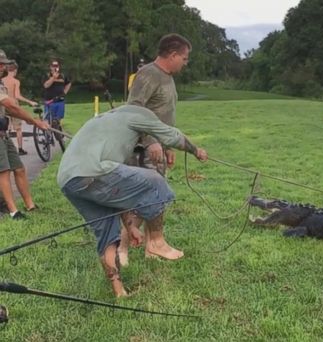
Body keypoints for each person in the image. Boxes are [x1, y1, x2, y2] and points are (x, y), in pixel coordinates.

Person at [57, 104, 208, 297]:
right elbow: (172, 136)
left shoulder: (102, 121)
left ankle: (119, 292)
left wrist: (130, 227)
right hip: (94, 171)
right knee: (155, 182)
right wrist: (196, 150)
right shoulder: (138, 115)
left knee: (107, 237)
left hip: (69, 181)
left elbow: (117, 195)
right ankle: (156, 242)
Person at [117, 33, 191, 266]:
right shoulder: (149, 74)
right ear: (173, 54)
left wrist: (168, 145)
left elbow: (163, 115)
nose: (185, 63)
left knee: (155, 200)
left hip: (159, 149)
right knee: (140, 201)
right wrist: (150, 141)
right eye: (185, 58)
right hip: (142, 149)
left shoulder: (167, 77)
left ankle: (153, 247)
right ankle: (122, 249)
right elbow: (134, 109)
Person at [0, 49, 50, 219]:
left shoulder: (1, 83)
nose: (2, 67)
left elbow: (8, 110)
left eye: (3, 64)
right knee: (3, 171)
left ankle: (30, 205)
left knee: (19, 168)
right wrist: (34, 122)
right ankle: (13, 211)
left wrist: (30, 119)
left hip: (3, 133)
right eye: (0, 64)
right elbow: (11, 106)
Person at [2, 62, 37, 155]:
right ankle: (20, 149)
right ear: (15, 70)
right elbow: (17, 96)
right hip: (14, 105)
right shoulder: (15, 81)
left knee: (5, 128)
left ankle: (6, 148)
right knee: (18, 129)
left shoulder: (2, 80)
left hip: (3, 105)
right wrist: (30, 102)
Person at [42, 59, 71, 124]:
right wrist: (53, 78)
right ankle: (48, 132)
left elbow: (68, 83)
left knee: (58, 119)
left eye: (56, 66)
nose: (55, 68)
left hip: (60, 100)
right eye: (53, 66)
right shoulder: (47, 75)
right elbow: (46, 85)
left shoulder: (62, 75)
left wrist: (65, 92)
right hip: (49, 101)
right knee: (48, 119)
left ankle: (57, 131)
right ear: (50, 67)